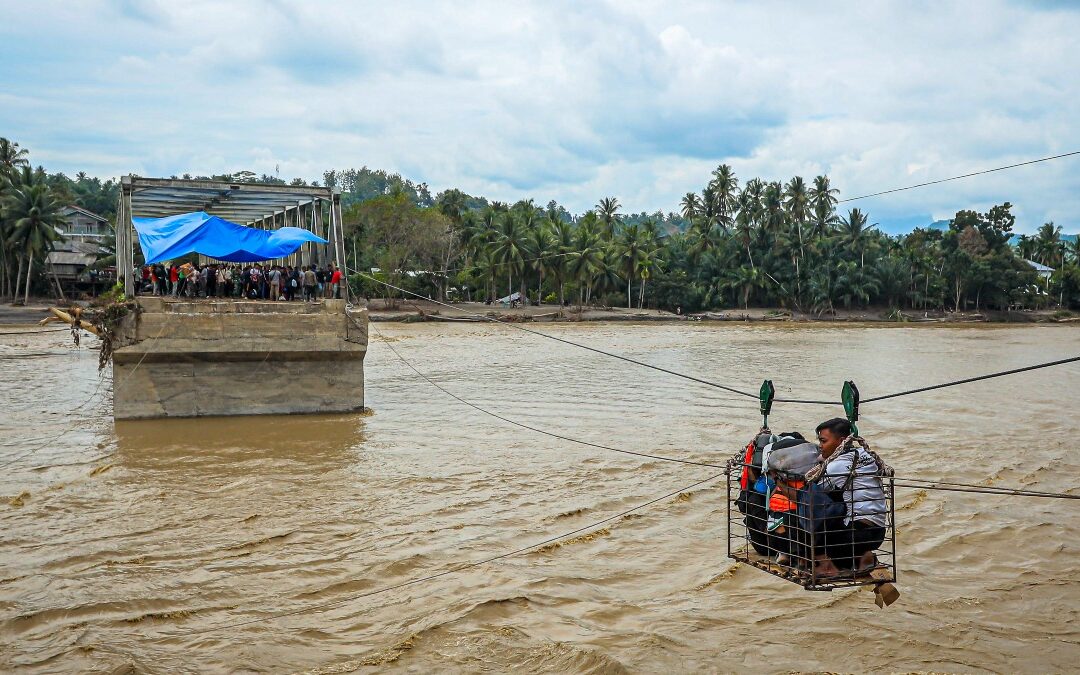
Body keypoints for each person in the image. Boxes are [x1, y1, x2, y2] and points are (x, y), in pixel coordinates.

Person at [807, 418, 888, 576]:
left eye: (823, 441)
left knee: (812, 526)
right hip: (878, 532)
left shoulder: (836, 466)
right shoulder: (865, 454)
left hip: (855, 534)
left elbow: (816, 489)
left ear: (842, 441)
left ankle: (827, 567)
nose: (820, 446)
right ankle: (864, 556)